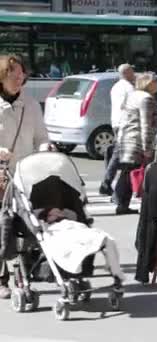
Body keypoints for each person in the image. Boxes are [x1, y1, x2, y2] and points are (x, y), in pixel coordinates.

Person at [0, 54, 51, 299]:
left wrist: (45, 148)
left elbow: (41, 137)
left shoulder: (31, 104)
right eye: (13, 74)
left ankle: (27, 269)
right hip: (0, 176)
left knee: (29, 223)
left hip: (26, 175)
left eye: (21, 74)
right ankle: (1, 279)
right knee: (1, 227)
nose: (19, 78)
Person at [114, 72, 157, 215]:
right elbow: (146, 124)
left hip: (125, 137)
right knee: (134, 172)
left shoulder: (132, 95)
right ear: (149, 83)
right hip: (136, 139)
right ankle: (125, 203)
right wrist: (147, 147)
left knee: (126, 172)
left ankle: (122, 203)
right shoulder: (146, 99)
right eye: (155, 82)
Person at [99, 64, 136, 196]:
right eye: (132, 72)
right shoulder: (129, 88)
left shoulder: (115, 87)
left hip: (116, 122)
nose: (134, 74)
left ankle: (108, 185)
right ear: (127, 73)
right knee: (120, 157)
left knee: (117, 155)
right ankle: (107, 184)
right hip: (125, 124)